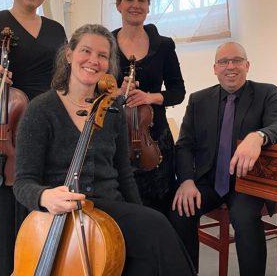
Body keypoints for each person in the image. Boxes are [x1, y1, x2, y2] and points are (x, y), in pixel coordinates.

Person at [13, 23, 196, 276]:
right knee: (155, 228)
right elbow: (23, 182)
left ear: (109, 64)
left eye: (102, 55)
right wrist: (45, 197)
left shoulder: (111, 112)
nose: (93, 61)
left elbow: (124, 174)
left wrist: (139, 214)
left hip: (109, 208)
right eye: (86, 51)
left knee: (153, 232)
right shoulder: (40, 110)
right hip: (63, 213)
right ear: (69, 54)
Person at [0, 0, 66, 275]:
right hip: (1, 132)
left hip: (45, 129)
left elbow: (63, 80)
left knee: (39, 210)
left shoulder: (56, 30)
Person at [168, 42, 277, 276]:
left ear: (247, 65)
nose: (230, 66)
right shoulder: (198, 100)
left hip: (248, 183)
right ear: (215, 68)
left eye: (236, 60)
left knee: (245, 218)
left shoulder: (266, 93)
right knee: (179, 212)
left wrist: (258, 136)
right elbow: (184, 145)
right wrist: (186, 181)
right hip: (209, 181)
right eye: (224, 62)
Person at [112, 0, 186, 214]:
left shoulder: (163, 45)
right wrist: (116, 92)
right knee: (121, 206)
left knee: (159, 205)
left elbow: (178, 92)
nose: (136, 5)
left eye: (142, 0)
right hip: (116, 137)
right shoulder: (106, 44)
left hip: (154, 139)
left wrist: (149, 98)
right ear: (118, 5)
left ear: (148, 6)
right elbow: (95, 88)